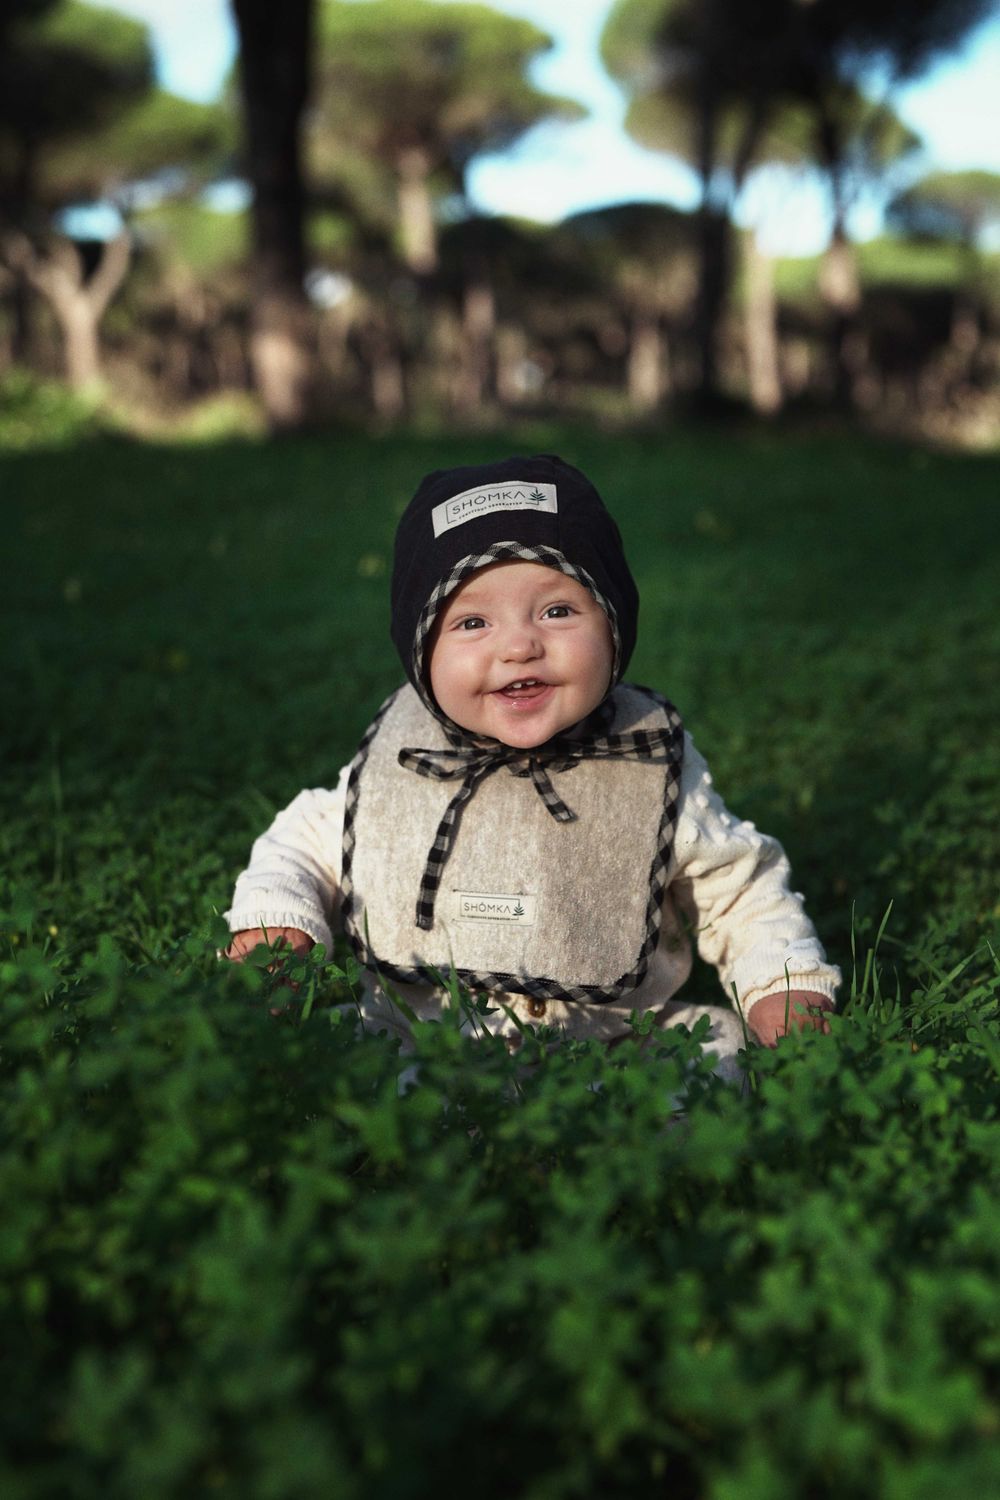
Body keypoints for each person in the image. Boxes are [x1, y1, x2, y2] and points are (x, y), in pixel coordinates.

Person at [225, 455, 839, 1081]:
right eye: (471, 622)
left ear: (615, 622)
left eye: (557, 611)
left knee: (711, 1061)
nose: (519, 645)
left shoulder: (644, 761)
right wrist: (281, 920)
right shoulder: (405, 760)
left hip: (615, 1040)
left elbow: (738, 891)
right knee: (352, 1081)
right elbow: (305, 844)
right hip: (425, 1041)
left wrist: (780, 981)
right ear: (418, 651)